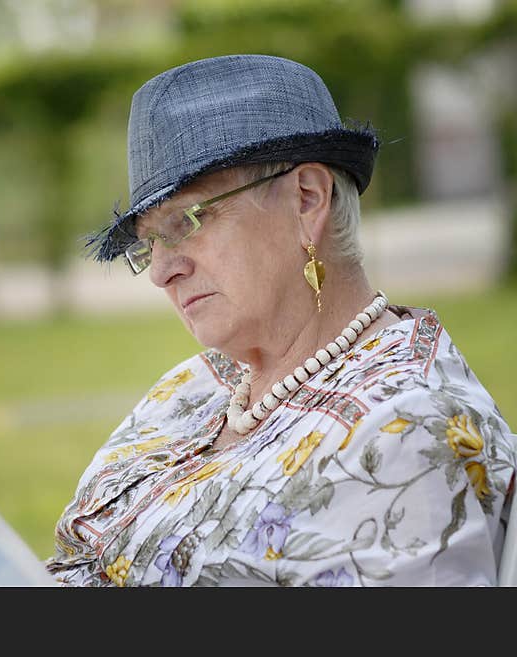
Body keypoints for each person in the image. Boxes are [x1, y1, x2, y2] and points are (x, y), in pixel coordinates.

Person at [44, 54, 516, 587]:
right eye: (150, 241)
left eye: (186, 221)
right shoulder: (194, 386)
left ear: (307, 199)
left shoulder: (404, 430)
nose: (160, 271)